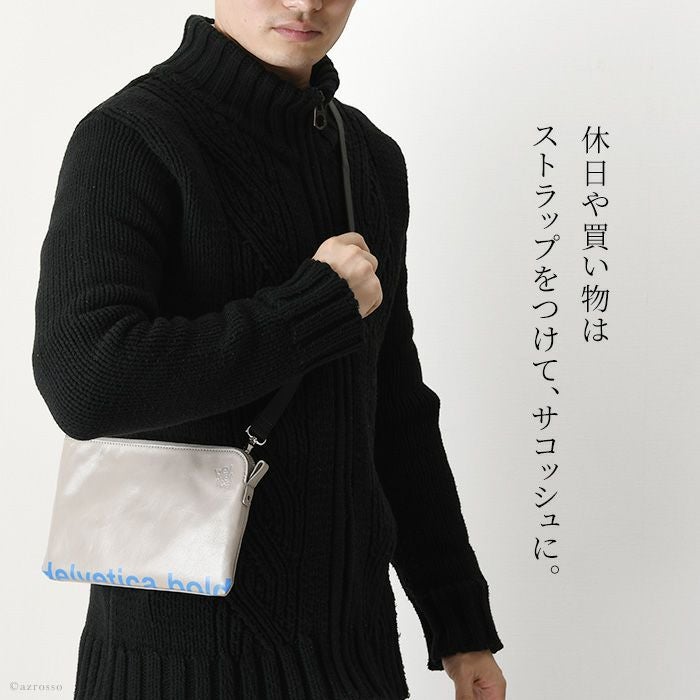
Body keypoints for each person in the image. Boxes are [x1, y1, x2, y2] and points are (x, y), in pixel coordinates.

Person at [32, 3, 507, 699]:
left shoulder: (368, 158)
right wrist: (315, 307)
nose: (305, 3)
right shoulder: (131, 136)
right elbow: (86, 379)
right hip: (175, 668)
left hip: (356, 663)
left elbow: (395, 411)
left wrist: (460, 625)